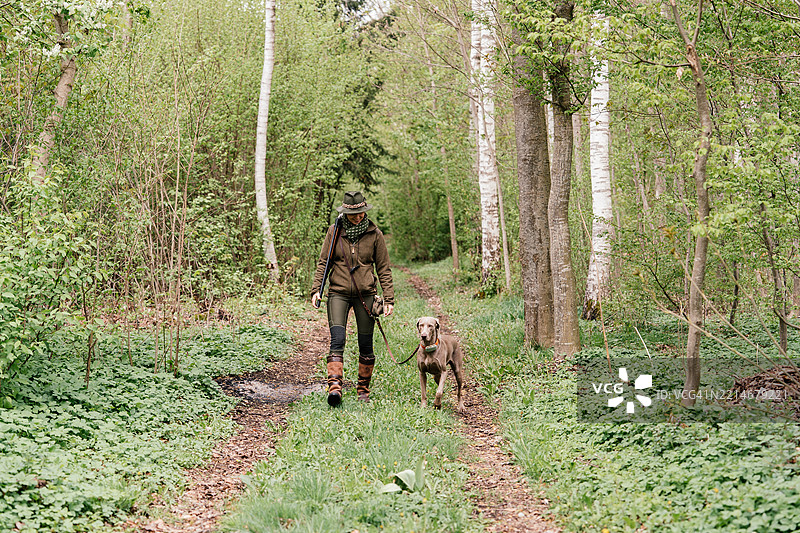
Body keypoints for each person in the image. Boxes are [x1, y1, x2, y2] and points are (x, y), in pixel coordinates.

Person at [311, 191, 394, 407]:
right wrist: (316, 290)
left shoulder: (375, 234)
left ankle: (363, 391)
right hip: (337, 292)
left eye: (361, 213)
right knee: (337, 339)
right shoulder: (334, 231)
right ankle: (335, 389)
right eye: (353, 214)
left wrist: (389, 298)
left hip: (365, 294)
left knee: (365, 343)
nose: (358, 217)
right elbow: (324, 262)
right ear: (345, 213)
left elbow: (383, 268)